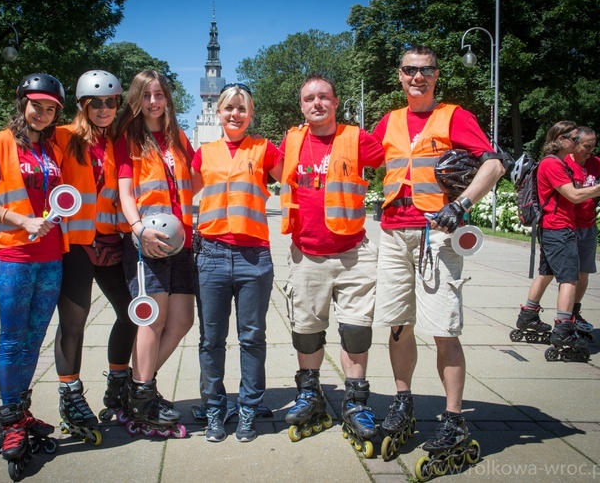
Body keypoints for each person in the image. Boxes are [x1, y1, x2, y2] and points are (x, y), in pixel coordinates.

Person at [370, 45, 505, 465]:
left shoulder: (454, 116)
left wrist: (460, 205)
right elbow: (352, 159)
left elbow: (495, 164)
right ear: (400, 75)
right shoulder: (388, 121)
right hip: (393, 235)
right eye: (410, 70)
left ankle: (452, 419)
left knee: (444, 327)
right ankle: (403, 401)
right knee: (398, 324)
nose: (417, 77)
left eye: (425, 70)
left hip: (437, 236)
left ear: (436, 75)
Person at [0, 73, 66, 473]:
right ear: (22, 103)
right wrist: (17, 219)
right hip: (14, 254)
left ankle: (22, 412)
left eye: (50, 108)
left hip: (52, 254)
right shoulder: (0, 141)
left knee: (34, 339)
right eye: (36, 105)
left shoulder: (55, 147)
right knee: (12, 339)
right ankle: (10, 420)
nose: (42, 113)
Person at [279, 74, 383, 451]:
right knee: (306, 330)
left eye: (324, 97)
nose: (317, 103)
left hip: (353, 253)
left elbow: (401, 155)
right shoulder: (291, 140)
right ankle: (310, 394)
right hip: (306, 253)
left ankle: (355, 403)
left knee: (356, 331)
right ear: (302, 105)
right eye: (310, 98)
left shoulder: (356, 139)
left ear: (336, 103)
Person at [191, 83, 284, 442]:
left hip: (253, 257)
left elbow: (298, 180)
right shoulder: (205, 152)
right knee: (211, 339)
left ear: (251, 115)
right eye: (229, 107)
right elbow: (184, 195)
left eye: (242, 109)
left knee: (252, 338)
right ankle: (214, 409)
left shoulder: (263, 149)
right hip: (211, 255)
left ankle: (248, 408)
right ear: (218, 111)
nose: (235, 114)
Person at [53, 70, 136, 432]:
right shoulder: (62, 136)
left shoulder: (118, 141)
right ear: (83, 105)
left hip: (109, 239)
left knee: (132, 313)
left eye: (111, 102)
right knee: (74, 320)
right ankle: (70, 394)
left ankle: (117, 386)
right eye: (96, 103)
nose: (104, 109)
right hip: (75, 242)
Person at [112, 70, 194, 437]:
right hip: (149, 242)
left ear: (168, 98)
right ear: (136, 100)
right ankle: (143, 397)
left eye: (159, 94)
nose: (154, 102)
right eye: (146, 96)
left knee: (181, 321)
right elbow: (126, 194)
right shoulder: (128, 138)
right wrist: (138, 229)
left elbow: (200, 179)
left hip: (184, 242)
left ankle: (133, 387)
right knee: (152, 320)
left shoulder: (178, 137)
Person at [516, 121, 600, 362]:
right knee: (569, 279)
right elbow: (574, 195)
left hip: (555, 228)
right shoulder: (553, 164)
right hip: (559, 228)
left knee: (546, 272)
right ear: (560, 140)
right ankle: (563, 330)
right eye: (574, 138)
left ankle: (528, 315)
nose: (577, 143)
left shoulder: (556, 163)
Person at [564, 126, 600, 332]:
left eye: (593, 145)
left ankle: (574, 312)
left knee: (583, 274)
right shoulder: (564, 162)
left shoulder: (597, 163)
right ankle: (560, 317)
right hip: (567, 225)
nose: (591, 149)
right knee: (567, 276)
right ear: (575, 144)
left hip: (588, 225)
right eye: (586, 145)